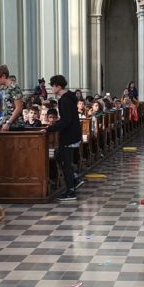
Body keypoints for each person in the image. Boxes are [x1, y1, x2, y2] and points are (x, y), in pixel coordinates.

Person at [46, 75, 80, 203]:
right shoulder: (68, 97)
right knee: (60, 157)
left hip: (69, 135)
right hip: (72, 133)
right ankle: (74, 180)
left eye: (52, 85)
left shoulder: (64, 100)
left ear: (58, 86)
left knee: (65, 162)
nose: (51, 88)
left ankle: (70, 191)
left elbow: (66, 120)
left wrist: (51, 128)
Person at [0, 65, 24, 130]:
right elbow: (8, 109)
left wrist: (8, 123)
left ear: (4, 76)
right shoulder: (6, 88)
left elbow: (19, 107)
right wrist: (2, 122)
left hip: (16, 124)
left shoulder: (14, 87)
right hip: (8, 122)